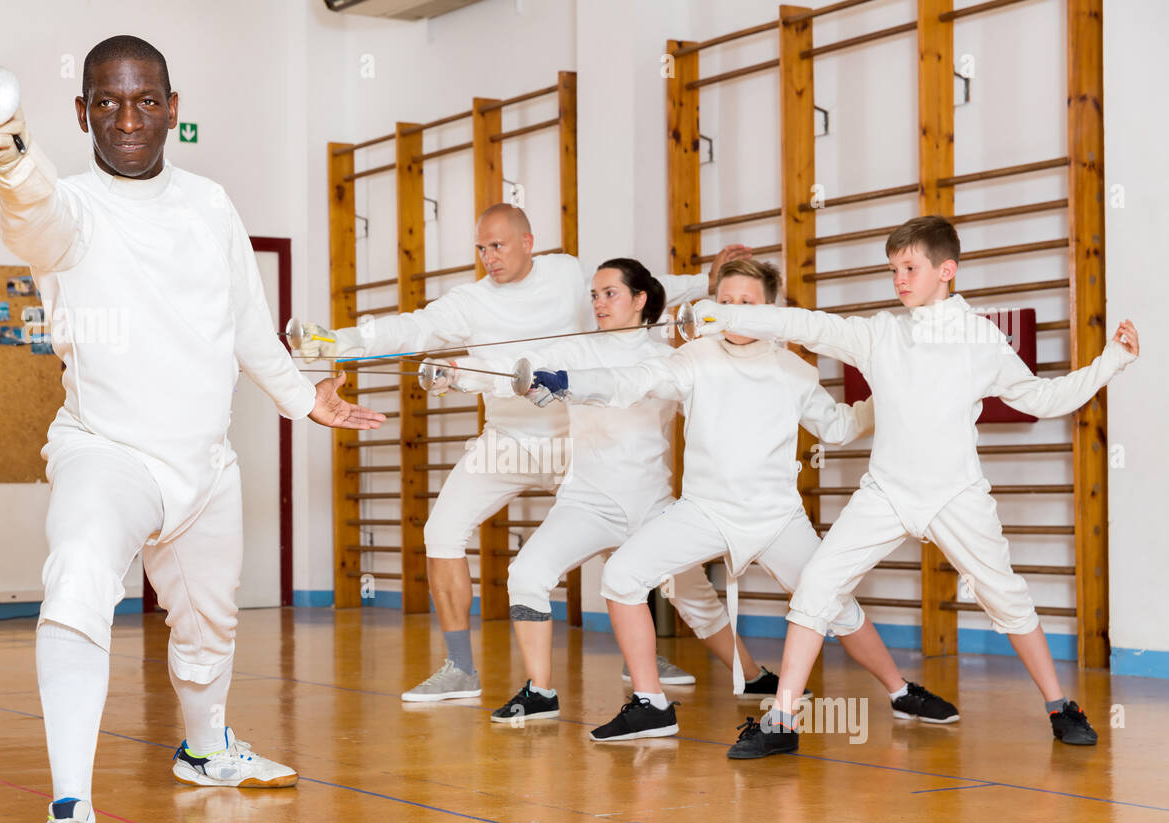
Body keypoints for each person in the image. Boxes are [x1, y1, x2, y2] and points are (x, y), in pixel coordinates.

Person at [0, 35, 384, 823]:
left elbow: (247, 330)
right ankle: (71, 814)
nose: (127, 117)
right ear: (81, 113)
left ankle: (206, 749)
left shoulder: (211, 204)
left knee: (209, 630)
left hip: (206, 463)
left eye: (145, 100)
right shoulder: (68, 208)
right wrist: (3, 148)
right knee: (77, 573)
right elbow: (29, 210)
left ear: (172, 110)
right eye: (107, 102)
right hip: (107, 454)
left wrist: (306, 398)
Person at [688, 216, 1140, 756]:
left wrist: (1114, 360)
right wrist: (723, 313)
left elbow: (1044, 400)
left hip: (956, 495)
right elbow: (808, 324)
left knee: (1007, 598)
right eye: (893, 269)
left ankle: (1060, 706)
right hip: (885, 493)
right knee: (815, 588)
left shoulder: (981, 337)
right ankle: (781, 720)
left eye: (910, 267)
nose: (899, 279)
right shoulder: (881, 332)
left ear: (946, 270)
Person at [301, 206, 747, 700]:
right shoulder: (467, 302)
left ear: (528, 241)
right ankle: (460, 669)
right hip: (505, 442)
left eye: (499, 246)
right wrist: (332, 344)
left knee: (632, 541)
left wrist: (705, 279)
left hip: (574, 439)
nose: (489, 257)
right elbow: (406, 329)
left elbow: (641, 287)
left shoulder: (565, 273)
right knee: (441, 531)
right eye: (481, 249)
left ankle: (642, 657)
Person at [528, 258, 957, 742]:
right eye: (725, 302)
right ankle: (651, 704)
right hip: (703, 512)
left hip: (777, 519)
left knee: (833, 603)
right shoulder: (695, 357)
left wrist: (893, 397)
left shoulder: (793, 370)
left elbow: (836, 427)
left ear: (769, 310)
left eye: (747, 304)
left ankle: (900, 691)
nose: (733, 313)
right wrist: (569, 382)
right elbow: (633, 382)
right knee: (622, 576)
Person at [431, 258, 744, 725]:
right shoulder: (576, 351)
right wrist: (462, 373)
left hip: (650, 507)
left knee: (695, 599)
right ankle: (540, 691)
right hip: (586, 501)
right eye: (594, 295)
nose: (598, 303)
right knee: (527, 573)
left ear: (640, 300)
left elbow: (620, 386)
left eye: (610, 294)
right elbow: (517, 367)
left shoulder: (667, 359)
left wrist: (567, 388)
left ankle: (752, 674)